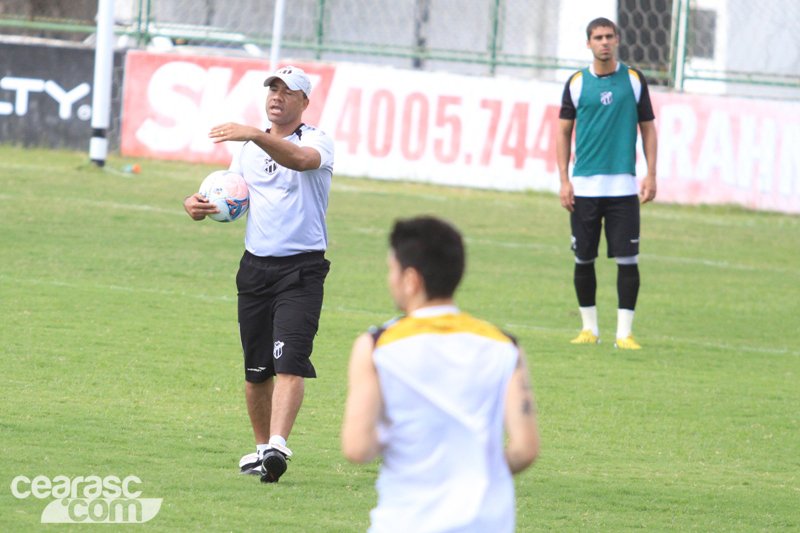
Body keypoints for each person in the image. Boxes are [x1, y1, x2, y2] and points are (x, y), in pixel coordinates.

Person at [183, 66, 334, 483]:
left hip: (301, 270)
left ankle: (278, 445)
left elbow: (301, 162)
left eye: (289, 91)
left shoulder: (316, 141)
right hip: (253, 270)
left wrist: (254, 134)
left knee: (290, 361)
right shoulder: (248, 149)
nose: (278, 96)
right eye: (273, 88)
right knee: (256, 371)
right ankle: (260, 450)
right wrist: (197, 205)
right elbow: (232, 192)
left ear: (305, 102)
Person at [342, 216, 539, 533]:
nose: (389, 279)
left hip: (407, 521)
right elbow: (525, 449)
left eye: (391, 270)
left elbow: (357, 447)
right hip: (487, 522)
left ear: (411, 279)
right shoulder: (505, 347)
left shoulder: (376, 346)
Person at [556, 17, 658, 349]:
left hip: (623, 190)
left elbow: (648, 128)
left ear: (617, 40)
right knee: (583, 259)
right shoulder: (575, 83)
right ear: (588, 43)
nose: (604, 42)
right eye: (598, 37)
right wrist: (564, 180)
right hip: (584, 189)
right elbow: (562, 132)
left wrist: (651, 173)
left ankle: (624, 334)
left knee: (629, 260)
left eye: (609, 36)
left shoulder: (633, 79)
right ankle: (589, 330)